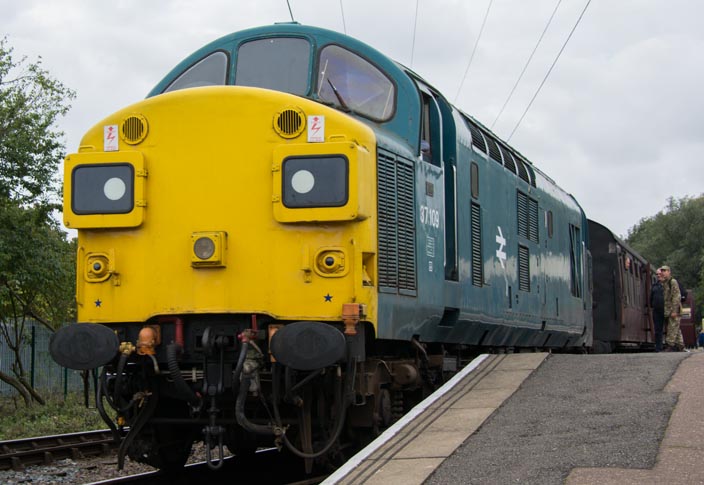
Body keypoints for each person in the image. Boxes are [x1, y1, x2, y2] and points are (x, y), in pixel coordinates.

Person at [661, 265, 684, 352]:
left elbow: (676, 296)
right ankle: (680, 346)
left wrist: (674, 310)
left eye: (665, 271)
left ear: (669, 272)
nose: (663, 272)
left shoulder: (672, 281)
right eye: (662, 271)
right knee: (676, 328)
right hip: (668, 310)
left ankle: (670, 345)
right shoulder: (665, 282)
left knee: (672, 327)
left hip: (673, 310)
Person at [650, 268, 665, 352]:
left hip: (667, 309)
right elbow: (651, 297)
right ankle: (658, 347)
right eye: (657, 274)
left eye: (660, 274)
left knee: (670, 328)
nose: (658, 275)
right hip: (657, 310)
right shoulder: (654, 286)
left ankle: (673, 345)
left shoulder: (669, 284)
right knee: (658, 329)